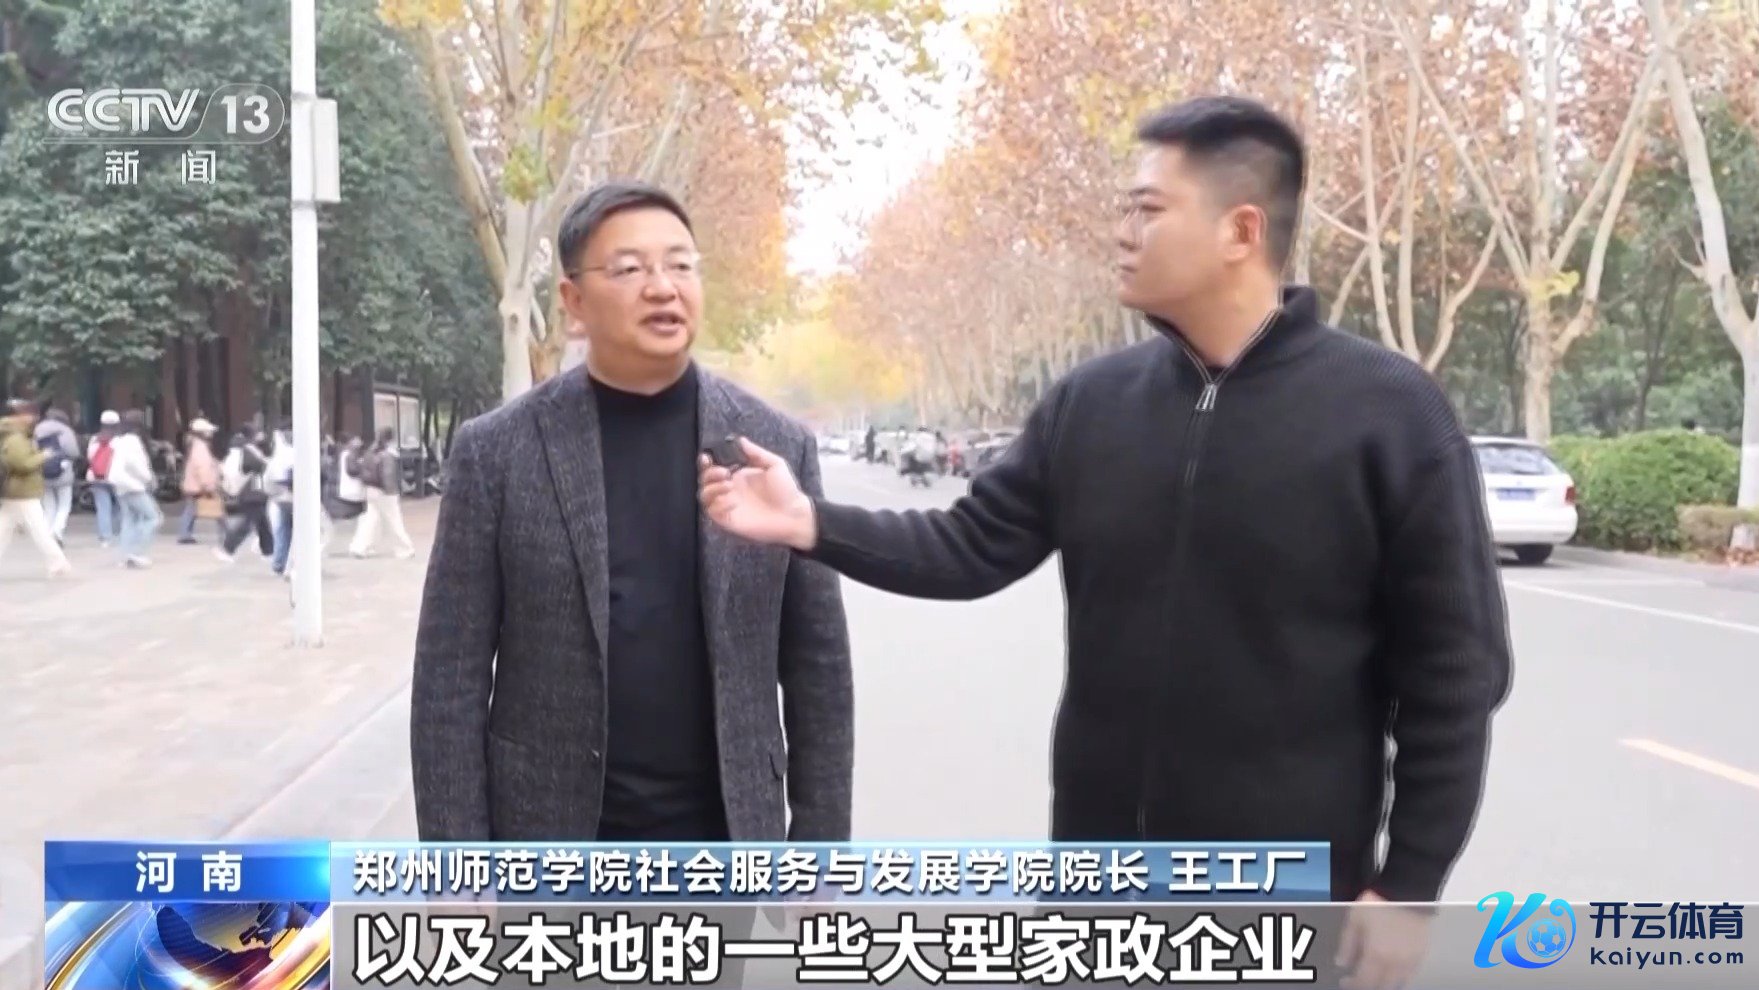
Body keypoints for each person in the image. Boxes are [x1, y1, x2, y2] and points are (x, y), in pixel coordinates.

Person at [699, 96, 1511, 989]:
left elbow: (1453, 676)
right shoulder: (1091, 403)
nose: (1122, 233)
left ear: (1240, 230)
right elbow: (971, 545)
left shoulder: (1388, 414)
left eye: (1147, 209)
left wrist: (1409, 888)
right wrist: (806, 522)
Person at [412, 180, 854, 858]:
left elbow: (818, 666)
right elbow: (450, 674)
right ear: (573, 302)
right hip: (548, 845)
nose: (663, 287)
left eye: (680, 264)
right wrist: (456, 866)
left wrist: (820, 858)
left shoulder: (774, 446)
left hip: (725, 845)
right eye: (629, 269)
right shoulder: (497, 452)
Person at [0, 399, 73, 577]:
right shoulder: (16, 439)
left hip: (15, 491)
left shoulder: (16, 435)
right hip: (23, 491)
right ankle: (58, 563)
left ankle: (58, 563)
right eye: (29, 414)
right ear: (19, 417)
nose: (33, 418)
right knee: (39, 530)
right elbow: (22, 463)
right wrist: (43, 456)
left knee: (4, 530)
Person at [348, 428, 415, 559]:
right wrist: (392, 492)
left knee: (371, 519)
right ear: (391, 439)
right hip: (384, 492)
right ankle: (404, 548)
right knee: (394, 520)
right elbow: (387, 475)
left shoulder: (370, 453)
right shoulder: (387, 455)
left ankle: (359, 547)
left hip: (370, 489)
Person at [108, 410, 162, 568]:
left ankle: (125, 555)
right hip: (134, 485)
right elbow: (136, 464)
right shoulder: (133, 441)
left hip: (121, 485)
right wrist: (148, 477)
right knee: (153, 518)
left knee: (129, 520)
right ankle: (138, 552)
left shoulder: (119, 441)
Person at [215, 430, 274, 563]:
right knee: (247, 524)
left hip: (248, 493)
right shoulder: (248, 452)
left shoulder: (233, 454)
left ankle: (269, 551)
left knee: (262, 523)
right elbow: (260, 466)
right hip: (253, 492)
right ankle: (227, 549)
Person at [33, 406, 80, 544]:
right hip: (63, 472)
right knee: (64, 505)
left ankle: (46, 536)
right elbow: (73, 452)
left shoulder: (37, 430)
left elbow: (32, 450)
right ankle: (57, 531)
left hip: (43, 471)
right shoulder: (65, 430)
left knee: (49, 507)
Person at [176, 419, 223, 544]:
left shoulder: (194, 445)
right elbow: (203, 467)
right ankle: (228, 533)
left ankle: (185, 534)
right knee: (218, 510)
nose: (211, 433)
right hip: (200, 485)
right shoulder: (201, 448)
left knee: (190, 510)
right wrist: (208, 485)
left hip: (193, 484)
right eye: (208, 431)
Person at [85, 410, 122, 547]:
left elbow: (90, 457)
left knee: (102, 508)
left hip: (97, 477)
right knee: (119, 506)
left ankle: (105, 538)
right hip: (116, 477)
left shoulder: (95, 439)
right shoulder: (120, 440)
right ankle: (118, 533)